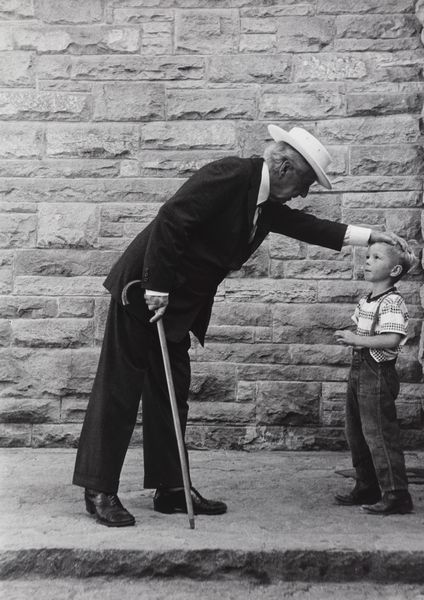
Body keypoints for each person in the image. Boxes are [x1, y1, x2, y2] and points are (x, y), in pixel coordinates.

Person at [73, 124, 407, 527]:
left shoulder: (263, 202)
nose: (304, 193)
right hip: (142, 290)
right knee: (119, 390)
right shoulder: (231, 175)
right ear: (283, 167)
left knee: (170, 395)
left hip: (178, 306)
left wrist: (372, 235)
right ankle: (99, 490)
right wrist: (157, 287)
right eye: (304, 182)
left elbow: (307, 226)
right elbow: (171, 219)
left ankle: (172, 487)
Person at [334, 241, 416, 515]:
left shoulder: (392, 301)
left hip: (377, 374)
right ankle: (367, 485)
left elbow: (392, 338)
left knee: (380, 434)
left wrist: (356, 338)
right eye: (368, 256)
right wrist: (354, 338)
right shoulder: (368, 299)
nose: (367, 261)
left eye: (376, 257)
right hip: (359, 372)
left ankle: (396, 494)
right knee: (356, 432)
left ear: (393, 269)